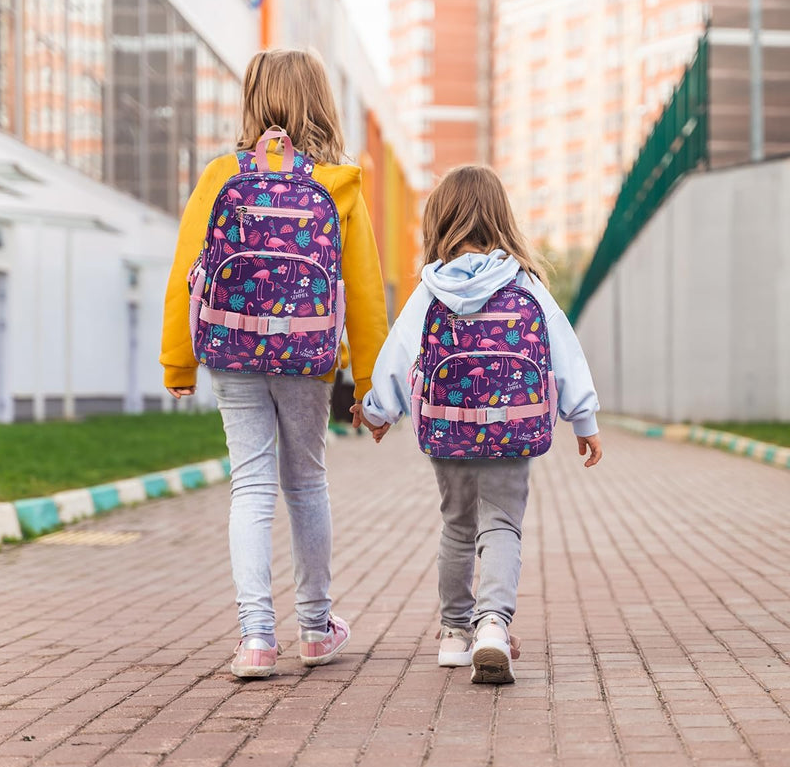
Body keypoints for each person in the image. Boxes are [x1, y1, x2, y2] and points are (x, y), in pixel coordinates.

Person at [160, 49, 388, 678]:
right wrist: (371, 388)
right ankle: (316, 628)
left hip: (231, 349)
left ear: (253, 98)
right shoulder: (337, 183)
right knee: (307, 482)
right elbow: (365, 293)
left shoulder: (218, 176)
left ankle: (257, 639)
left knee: (251, 486)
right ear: (320, 100)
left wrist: (178, 362)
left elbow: (186, 273)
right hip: (308, 357)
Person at [352, 165, 601, 684]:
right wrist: (583, 417)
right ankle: (493, 626)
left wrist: (378, 410)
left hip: (448, 429)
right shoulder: (525, 283)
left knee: (458, 527)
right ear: (501, 218)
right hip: (512, 429)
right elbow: (562, 349)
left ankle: (453, 634)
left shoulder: (431, 288)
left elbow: (399, 355)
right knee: (502, 524)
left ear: (440, 221)